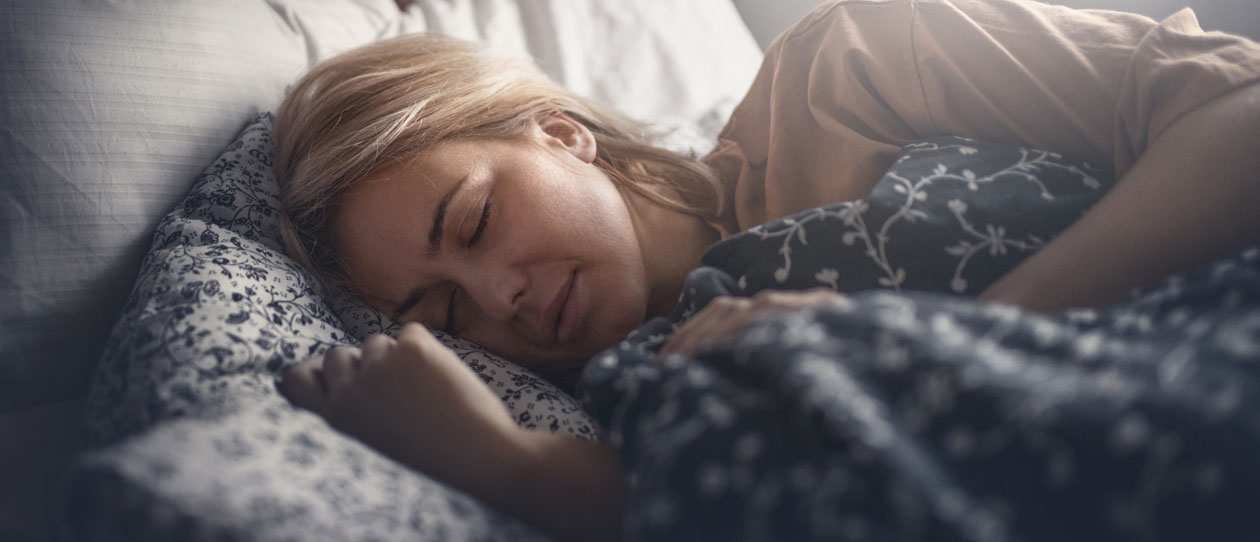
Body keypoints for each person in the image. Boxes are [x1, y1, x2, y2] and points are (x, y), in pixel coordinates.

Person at [273, 0, 1260, 540]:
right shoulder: (646, 392)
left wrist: (955, 332)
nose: (501, 301)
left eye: (479, 220)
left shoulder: (854, 61)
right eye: (447, 314)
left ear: (561, 133)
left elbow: (1240, 112)